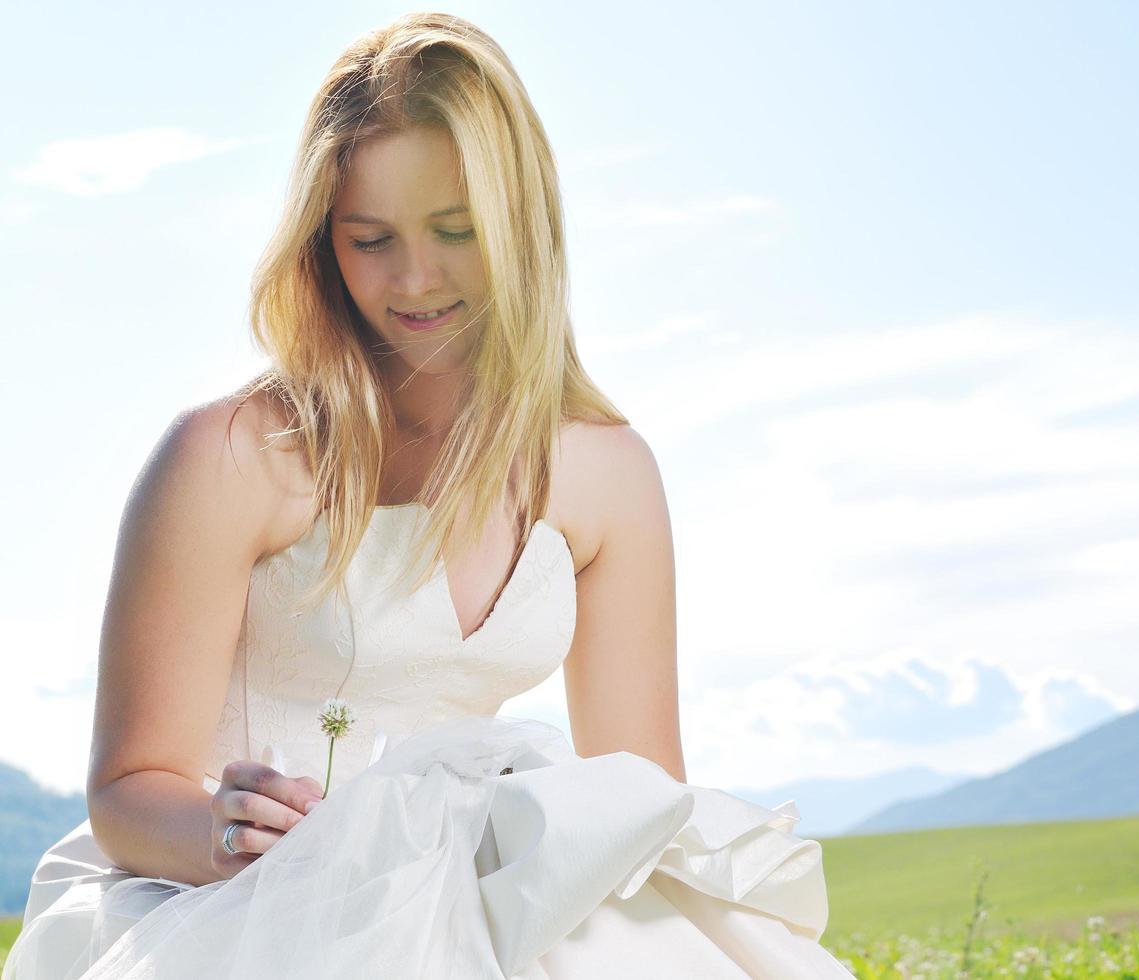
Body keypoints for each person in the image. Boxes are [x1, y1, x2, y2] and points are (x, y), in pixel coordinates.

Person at [3, 12, 851, 979]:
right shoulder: (232, 456)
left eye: (457, 232)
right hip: (235, 906)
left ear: (523, 226)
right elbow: (125, 790)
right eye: (370, 239)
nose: (414, 279)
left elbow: (640, 793)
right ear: (320, 241)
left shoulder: (607, 472)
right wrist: (222, 831)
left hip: (470, 896)